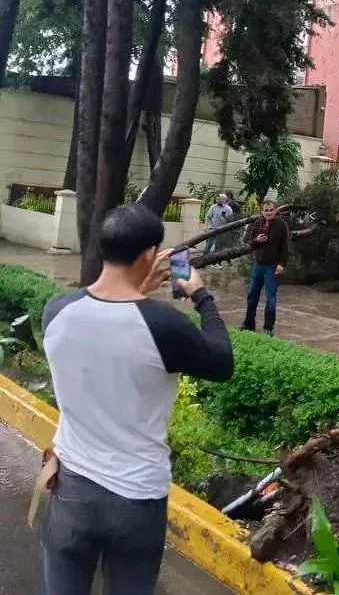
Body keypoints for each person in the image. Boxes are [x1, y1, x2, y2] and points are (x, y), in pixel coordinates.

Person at [39, 203, 234, 595]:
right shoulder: (163, 327)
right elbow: (221, 361)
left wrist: (136, 287)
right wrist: (200, 294)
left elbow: (108, 320)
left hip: (72, 491)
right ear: (149, 255)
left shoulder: (56, 312)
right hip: (137, 500)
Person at [242, 200, 289, 335]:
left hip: (272, 266)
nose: (268, 213)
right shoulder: (258, 223)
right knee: (252, 295)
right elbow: (249, 243)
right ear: (262, 211)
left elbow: (285, 247)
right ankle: (248, 324)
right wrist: (257, 240)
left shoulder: (281, 225)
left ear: (275, 211)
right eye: (266, 210)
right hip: (258, 265)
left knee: (270, 298)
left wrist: (281, 264)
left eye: (271, 210)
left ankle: (268, 328)